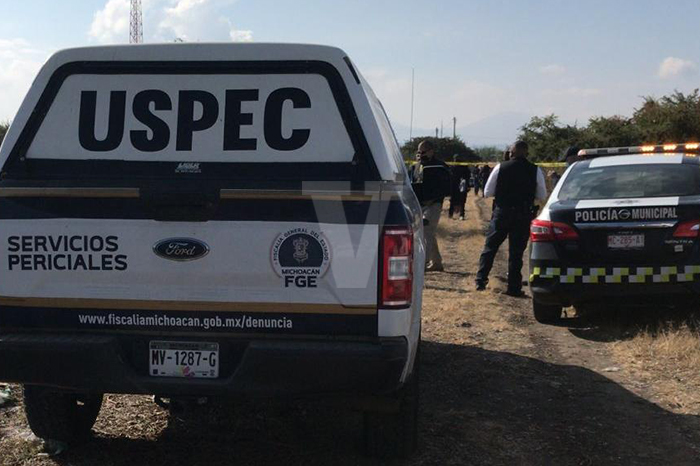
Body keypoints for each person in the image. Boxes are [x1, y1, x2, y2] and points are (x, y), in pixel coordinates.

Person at [475, 140, 547, 296]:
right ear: (527, 153)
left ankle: (480, 280)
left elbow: (487, 192)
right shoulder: (535, 170)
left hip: (502, 213)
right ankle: (514, 287)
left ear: (511, 152)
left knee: (490, 247)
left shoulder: (501, 167)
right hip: (523, 214)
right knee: (516, 253)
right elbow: (542, 195)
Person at [410, 140, 451, 271]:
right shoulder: (416, 166)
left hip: (434, 204)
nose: (420, 154)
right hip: (419, 205)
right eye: (419, 152)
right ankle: (437, 262)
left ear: (431, 151)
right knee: (428, 233)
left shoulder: (440, 167)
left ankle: (423, 263)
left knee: (426, 230)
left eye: (423, 152)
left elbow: (447, 186)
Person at [449, 155, 470, 220]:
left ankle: (460, 214)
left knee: (460, 201)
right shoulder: (453, 167)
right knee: (455, 201)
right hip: (455, 186)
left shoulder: (463, 167)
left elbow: (467, 176)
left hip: (460, 186)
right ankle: (452, 214)